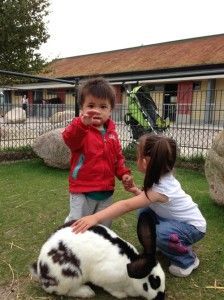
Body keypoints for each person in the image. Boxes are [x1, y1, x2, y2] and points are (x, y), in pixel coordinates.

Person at [72, 133, 206, 278]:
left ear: (145, 162)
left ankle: (187, 260)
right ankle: (165, 243)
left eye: (138, 155)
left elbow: (126, 205)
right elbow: (150, 200)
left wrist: (95, 218)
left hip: (193, 227)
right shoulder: (161, 178)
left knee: (163, 234)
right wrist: (136, 190)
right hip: (177, 221)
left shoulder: (162, 188)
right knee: (145, 211)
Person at [62, 77, 133, 227]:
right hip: (82, 190)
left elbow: (118, 158)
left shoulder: (112, 133)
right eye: (91, 105)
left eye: (103, 106)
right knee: (78, 224)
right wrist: (82, 124)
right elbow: (69, 139)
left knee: (102, 225)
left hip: (106, 190)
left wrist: (124, 173)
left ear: (110, 110)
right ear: (82, 108)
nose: (97, 111)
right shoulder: (80, 129)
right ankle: (67, 240)